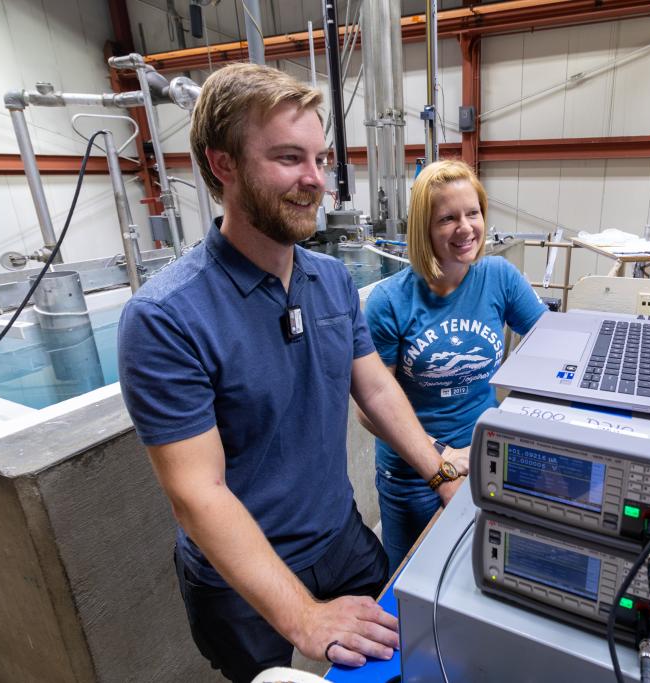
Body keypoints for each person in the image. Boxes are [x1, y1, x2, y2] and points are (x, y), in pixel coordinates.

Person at [117, 64, 465, 683]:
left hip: (341, 537)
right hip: (240, 573)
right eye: (287, 158)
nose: (315, 181)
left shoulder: (329, 279)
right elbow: (199, 494)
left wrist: (439, 470)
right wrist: (303, 618)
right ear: (223, 164)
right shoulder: (165, 317)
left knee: (403, 662)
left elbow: (375, 386)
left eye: (320, 158)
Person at [359, 160, 548, 574]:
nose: (466, 228)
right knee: (412, 580)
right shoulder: (389, 302)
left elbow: (549, 348)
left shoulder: (498, 276)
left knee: (478, 571)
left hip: (483, 457)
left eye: (473, 213)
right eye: (447, 218)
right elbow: (369, 407)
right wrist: (442, 458)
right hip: (410, 472)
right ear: (424, 229)